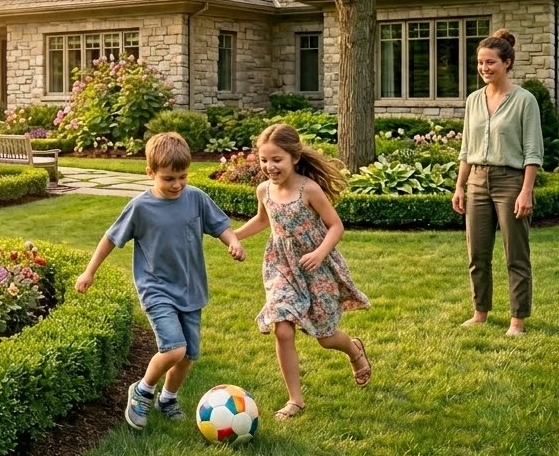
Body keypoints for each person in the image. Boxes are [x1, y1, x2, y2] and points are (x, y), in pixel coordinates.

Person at [75, 131, 246, 429]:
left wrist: (232, 241)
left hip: (191, 289)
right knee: (174, 349)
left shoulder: (196, 198)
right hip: (157, 289)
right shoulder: (140, 207)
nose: (177, 184)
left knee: (188, 356)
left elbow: (221, 225)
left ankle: (168, 399)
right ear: (150, 173)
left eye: (182, 176)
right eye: (169, 178)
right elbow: (110, 239)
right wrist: (90, 271)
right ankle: (142, 391)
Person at [234, 123, 371, 419]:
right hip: (281, 266)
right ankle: (295, 399)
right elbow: (261, 221)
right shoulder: (264, 191)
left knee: (325, 336)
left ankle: (355, 350)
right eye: (264, 160)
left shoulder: (309, 189)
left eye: (276, 159)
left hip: (316, 268)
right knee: (282, 329)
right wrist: (233, 236)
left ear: (294, 157)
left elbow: (336, 226)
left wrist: (320, 252)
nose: (269, 166)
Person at [452, 28, 544, 337]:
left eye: (490, 62)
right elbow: (467, 148)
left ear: (507, 63)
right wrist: (460, 186)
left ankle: (517, 320)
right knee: (477, 255)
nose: (484, 69)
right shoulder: (474, 100)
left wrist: (526, 191)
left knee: (515, 254)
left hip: (510, 181)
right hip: (477, 179)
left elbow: (533, 151)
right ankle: (480, 312)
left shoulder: (524, 101)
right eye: (480, 63)